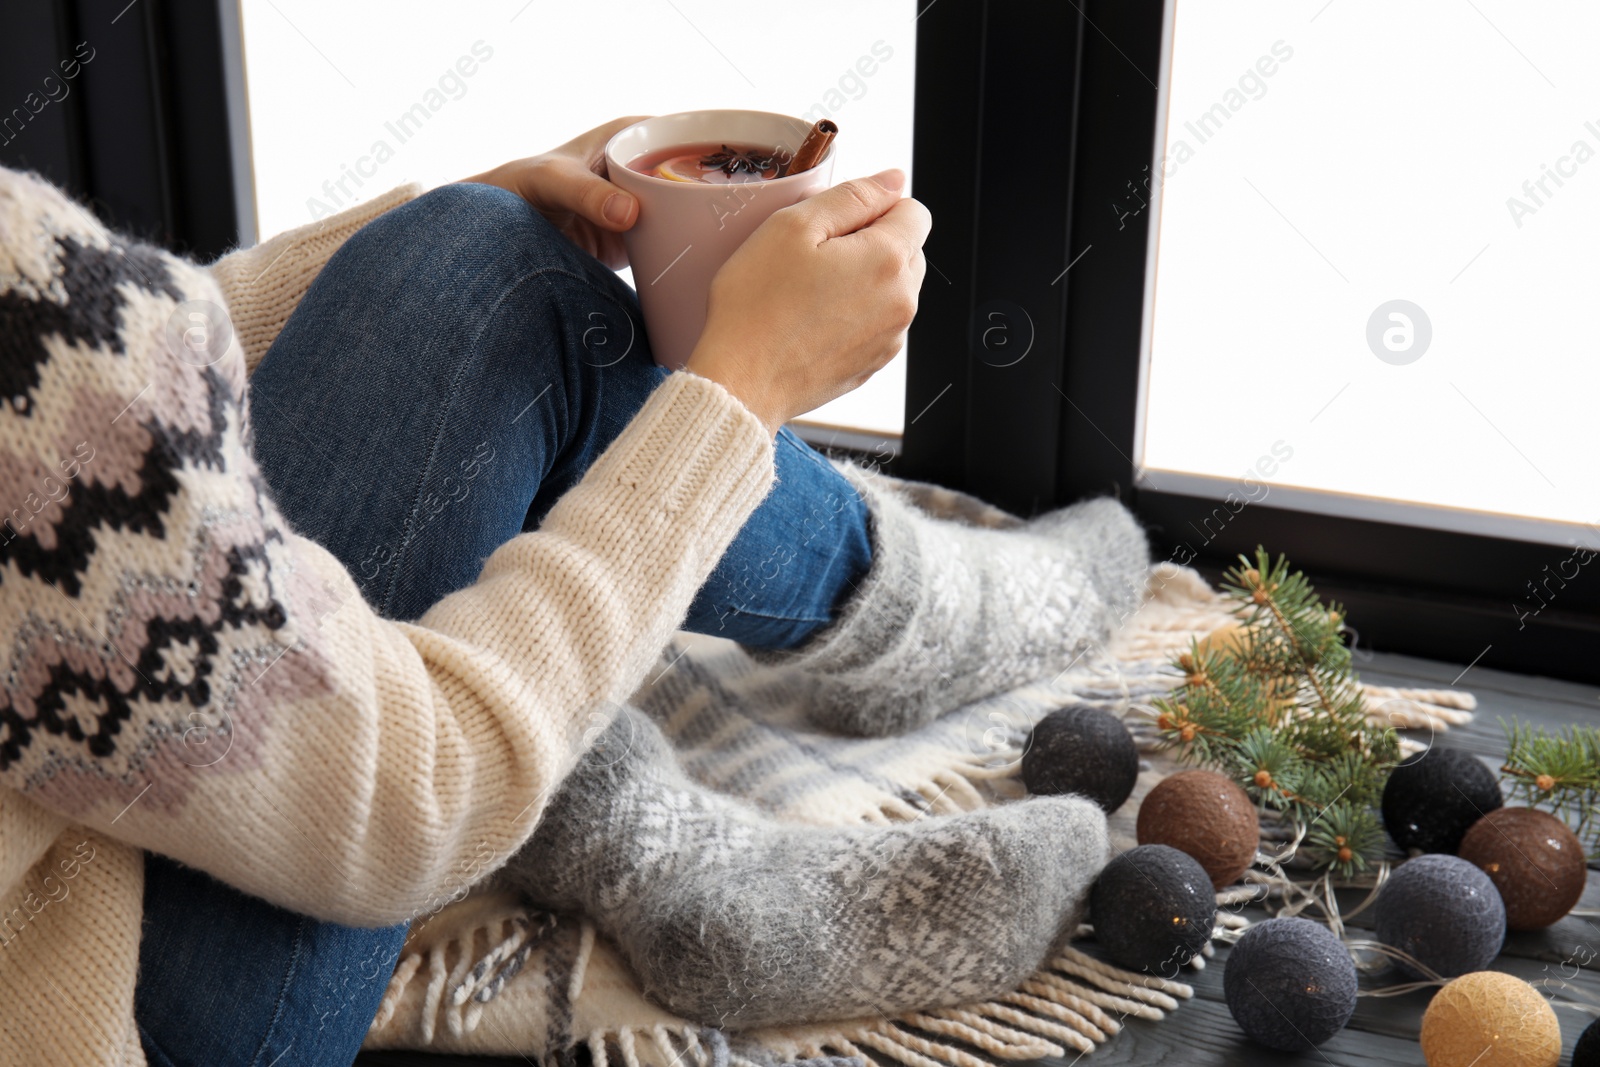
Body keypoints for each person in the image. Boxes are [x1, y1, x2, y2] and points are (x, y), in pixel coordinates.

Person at [0, 117, 1148, 1066]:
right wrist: (738, 398)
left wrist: (390, 274)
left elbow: (98, 403)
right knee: (493, 313)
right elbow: (409, 802)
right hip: (98, 1015)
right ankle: (731, 796)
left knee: (475, 262)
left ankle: (889, 619)